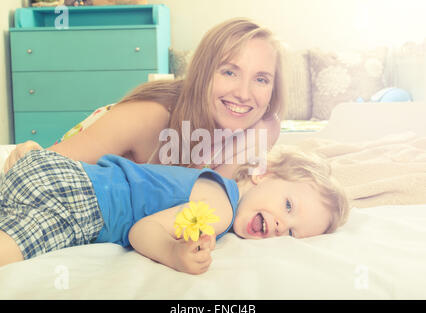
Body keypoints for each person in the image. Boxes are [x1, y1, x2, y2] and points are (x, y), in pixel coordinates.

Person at [3, 17, 285, 179]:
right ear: (202, 72)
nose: (244, 94)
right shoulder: (149, 116)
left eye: (261, 79)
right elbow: (37, 171)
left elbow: (212, 196)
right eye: (229, 72)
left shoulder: (263, 125)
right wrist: (30, 155)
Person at [0, 146, 349, 274]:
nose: (279, 224)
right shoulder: (220, 208)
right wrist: (174, 252)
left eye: (291, 231)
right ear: (262, 174)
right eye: (288, 206)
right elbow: (142, 232)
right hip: (81, 201)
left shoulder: (217, 192)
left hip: (58, 172)